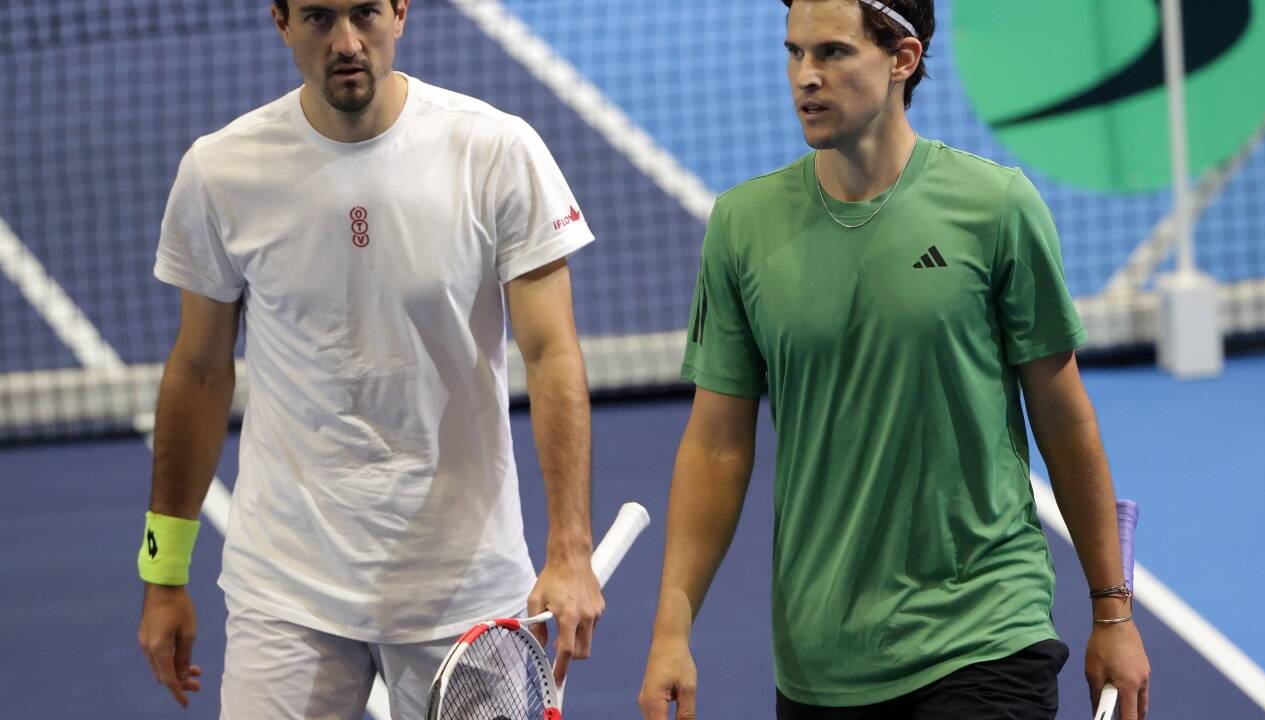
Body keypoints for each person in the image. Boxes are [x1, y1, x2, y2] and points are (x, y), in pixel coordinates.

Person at [637, 1, 1151, 718]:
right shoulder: (742, 225)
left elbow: (1063, 419)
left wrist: (1112, 612)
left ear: (902, 59)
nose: (804, 78)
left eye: (832, 54)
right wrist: (670, 629)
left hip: (985, 631)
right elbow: (717, 446)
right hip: (821, 659)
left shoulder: (995, 208)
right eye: (794, 53)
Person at [135, 1, 602, 716]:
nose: (347, 42)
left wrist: (570, 552)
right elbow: (198, 373)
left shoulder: (496, 151)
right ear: (281, 23)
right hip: (287, 591)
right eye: (320, 18)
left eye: (365, 13)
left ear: (401, 13)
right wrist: (164, 573)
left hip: (466, 591)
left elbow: (552, 355)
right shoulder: (221, 172)